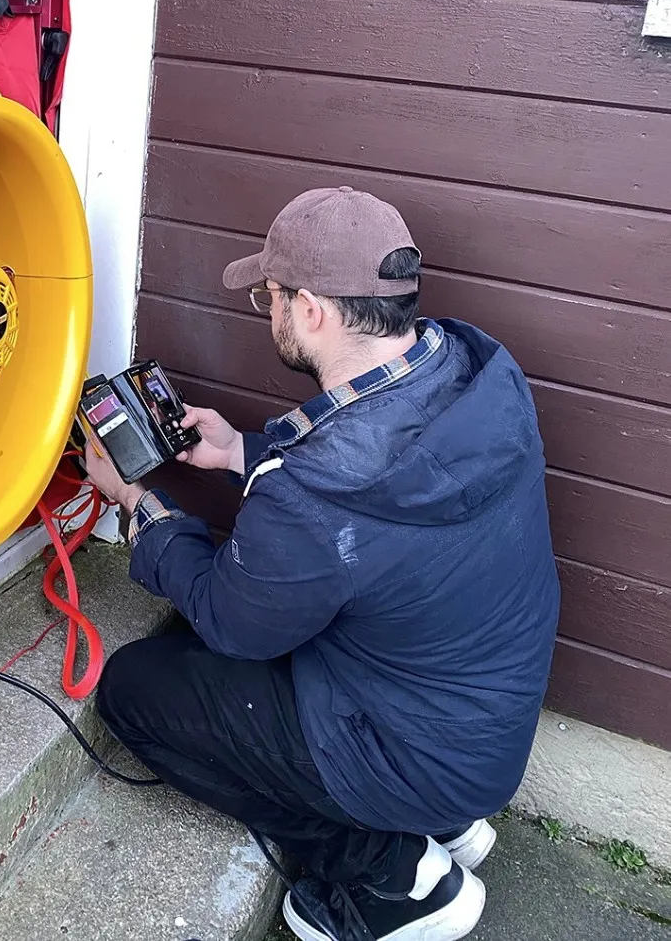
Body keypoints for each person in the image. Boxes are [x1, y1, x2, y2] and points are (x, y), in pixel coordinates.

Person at [83, 187, 560, 941]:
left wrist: (138, 505)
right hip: (473, 727)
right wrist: (239, 451)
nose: (266, 309)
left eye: (270, 296)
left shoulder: (316, 495)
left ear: (310, 311)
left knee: (136, 689)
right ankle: (443, 821)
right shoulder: (473, 372)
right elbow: (372, 488)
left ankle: (392, 874)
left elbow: (232, 622)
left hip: (412, 750)